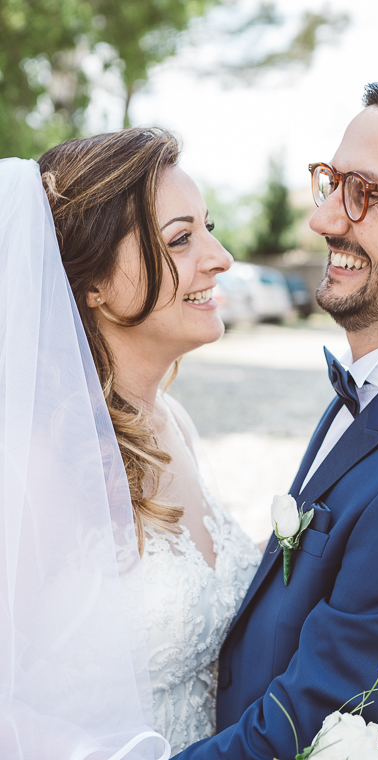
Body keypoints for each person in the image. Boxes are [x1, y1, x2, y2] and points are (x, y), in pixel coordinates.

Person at [175, 78, 378, 760]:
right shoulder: (377, 389)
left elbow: (301, 735)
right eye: (330, 181)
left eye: (365, 191)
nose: (324, 218)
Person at [0, 128, 261, 760]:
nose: (220, 257)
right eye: (180, 239)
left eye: (209, 227)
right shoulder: (35, 465)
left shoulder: (175, 424)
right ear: (90, 285)